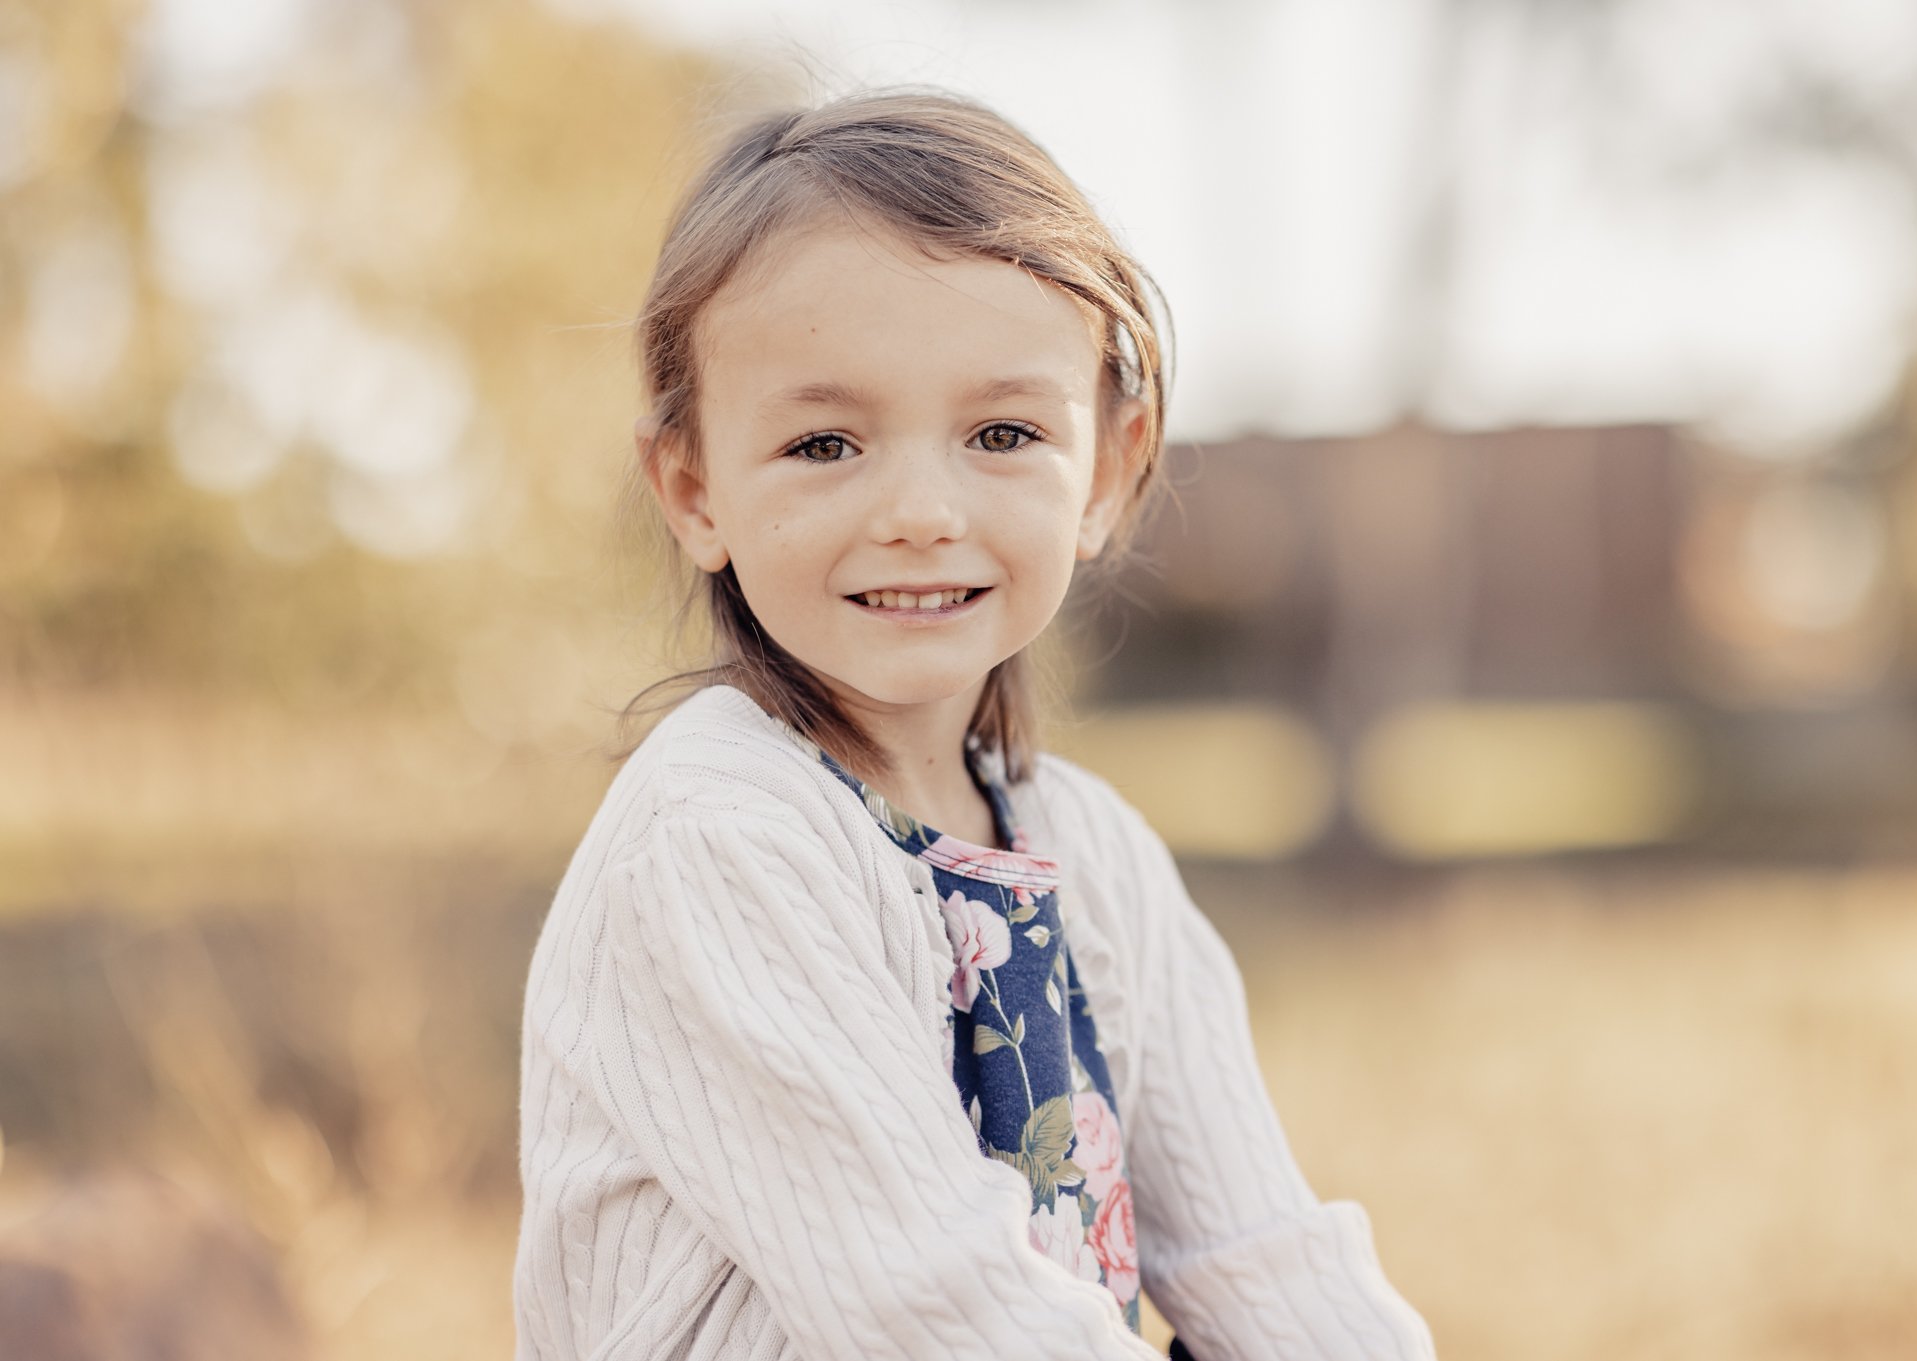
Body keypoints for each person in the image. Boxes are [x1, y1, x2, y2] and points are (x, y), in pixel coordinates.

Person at [512, 88, 1433, 1361]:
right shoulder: (717, 841)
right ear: (694, 485)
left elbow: (1259, 1251)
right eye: (825, 442)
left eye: (1002, 432)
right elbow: (936, 1309)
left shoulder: (1092, 852)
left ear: (1107, 467)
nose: (921, 510)